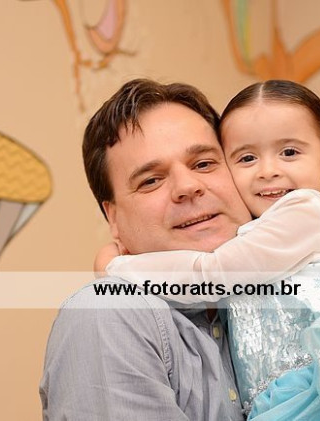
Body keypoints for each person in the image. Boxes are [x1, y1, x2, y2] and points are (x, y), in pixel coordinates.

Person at [102, 80, 320, 420]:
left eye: (289, 152)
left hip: (315, 389)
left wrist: (119, 267)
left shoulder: (304, 213)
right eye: (246, 158)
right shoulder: (255, 237)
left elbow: (210, 274)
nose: (268, 170)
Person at [40, 79, 254, 420]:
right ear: (114, 219)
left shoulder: (273, 297)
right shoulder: (108, 314)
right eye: (151, 180)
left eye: (203, 163)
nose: (187, 186)